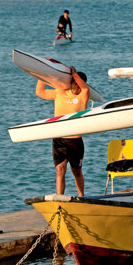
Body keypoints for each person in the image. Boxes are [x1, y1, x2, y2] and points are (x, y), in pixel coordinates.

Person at [36, 67, 90, 197]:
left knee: (76, 171)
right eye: (74, 83)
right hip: (59, 138)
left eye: (79, 84)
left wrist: (75, 75)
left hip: (75, 140)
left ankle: (81, 196)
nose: (76, 86)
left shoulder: (84, 95)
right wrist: (40, 75)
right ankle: (60, 197)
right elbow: (40, 92)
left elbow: (85, 88)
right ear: (70, 83)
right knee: (60, 169)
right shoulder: (60, 92)